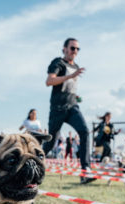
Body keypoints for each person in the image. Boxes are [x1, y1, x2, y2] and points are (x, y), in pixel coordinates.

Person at [42, 37, 94, 184]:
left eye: (77, 49)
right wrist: (70, 76)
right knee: (50, 143)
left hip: (72, 107)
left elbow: (68, 86)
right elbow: (49, 81)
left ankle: (85, 172)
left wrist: (75, 96)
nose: (75, 51)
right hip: (58, 108)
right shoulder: (58, 62)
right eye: (72, 48)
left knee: (84, 131)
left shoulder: (76, 66)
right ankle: (30, 162)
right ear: (64, 49)